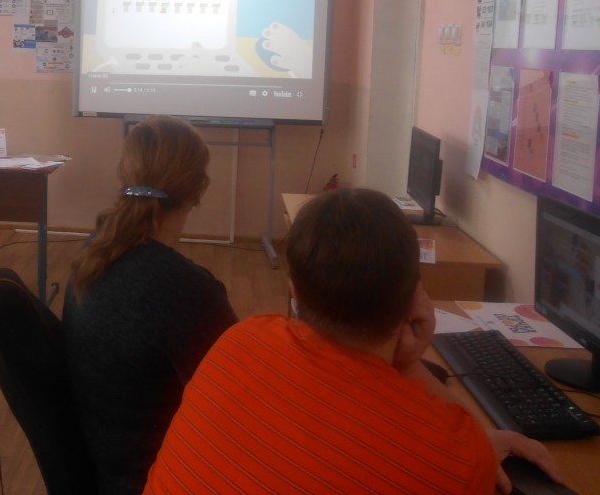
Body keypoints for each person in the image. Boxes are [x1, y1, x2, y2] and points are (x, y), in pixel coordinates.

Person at [145, 188, 563, 495]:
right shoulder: (453, 455)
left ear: (294, 291)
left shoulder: (241, 339)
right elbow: (465, 452)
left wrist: (403, 361)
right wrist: (408, 362)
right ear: (413, 298)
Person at [62, 115, 238, 495]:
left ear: (125, 174)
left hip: (107, 459)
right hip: (157, 476)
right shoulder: (187, 291)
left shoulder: (97, 247)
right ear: (199, 188)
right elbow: (239, 406)